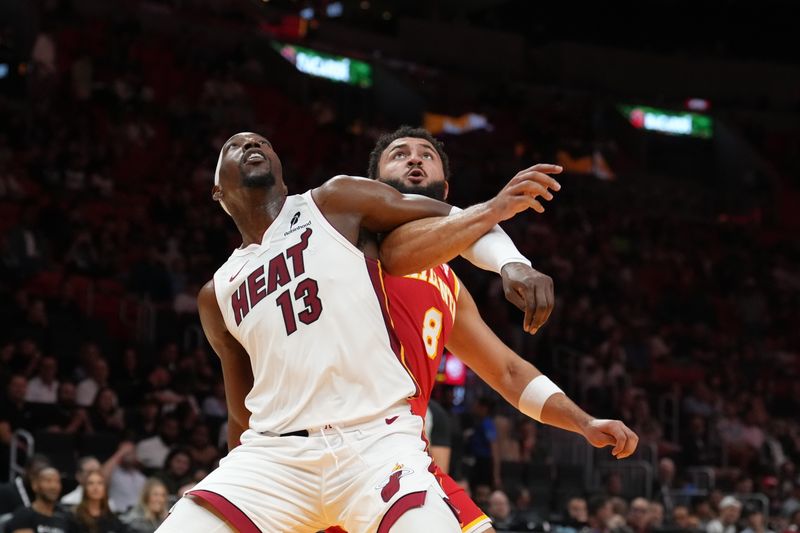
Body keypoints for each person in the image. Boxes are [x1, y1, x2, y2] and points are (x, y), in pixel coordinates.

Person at [158, 131, 560, 532]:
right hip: (274, 455)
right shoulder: (218, 292)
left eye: (263, 143)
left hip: (376, 444)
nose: (252, 147)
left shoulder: (332, 202)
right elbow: (239, 412)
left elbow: (459, 220)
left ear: (281, 171)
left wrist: (512, 262)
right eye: (235, 145)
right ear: (216, 191)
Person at [328, 126, 639, 533]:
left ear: (446, 186)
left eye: (426, 154)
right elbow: (401, 250)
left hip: (398, 453)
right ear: (373, 186)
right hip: (326, 443)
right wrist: (501, 232)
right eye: (399, 154)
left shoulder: (448, 285)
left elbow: (508, 372)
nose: (415, 159)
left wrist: (583, 422)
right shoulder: (350, 233)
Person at [5, 466, 77, 533]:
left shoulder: (65, 517)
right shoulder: (23, 515)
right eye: (48, 481)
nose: (53, 486)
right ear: (35, 485)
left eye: (57, 481)